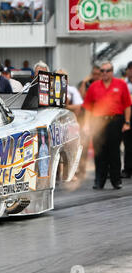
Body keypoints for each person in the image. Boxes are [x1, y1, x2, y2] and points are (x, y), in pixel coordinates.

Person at [83, 61, 131, 190]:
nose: (104, 73)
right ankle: (99, 181)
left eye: (107, 70)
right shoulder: (94, 86)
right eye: (102, 71)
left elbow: (127, 105)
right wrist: (87, 124)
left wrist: (127, 122)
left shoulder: (121, 84)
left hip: (115, 121)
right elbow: (88, 107)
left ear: (112, 71)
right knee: (100, 152)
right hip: (98, 121)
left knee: (114, 151)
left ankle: (116, 180)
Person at [55, 68, 86, 179]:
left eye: (64, 77)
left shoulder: (72, 90)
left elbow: (78, 107)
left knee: (71, 149)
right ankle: (57, 174)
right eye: (58, 76)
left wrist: (67, 106)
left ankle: (69, 173)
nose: (62, 79)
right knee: (56, 148)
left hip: (70, 123)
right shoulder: (52, 90)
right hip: (57, 123)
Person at [122, 61, 132, 178]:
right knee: (128, 143)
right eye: (130, 69)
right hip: (127, 114)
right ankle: (128, 169)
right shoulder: (123, 83)